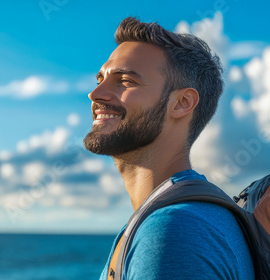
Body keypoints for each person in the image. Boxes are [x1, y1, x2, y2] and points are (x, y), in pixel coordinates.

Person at [84, 17, 255, 279]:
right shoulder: (175, 218)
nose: (96, 94)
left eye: (125, 81)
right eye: (101, 79)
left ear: (182, 103)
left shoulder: (174, 231)